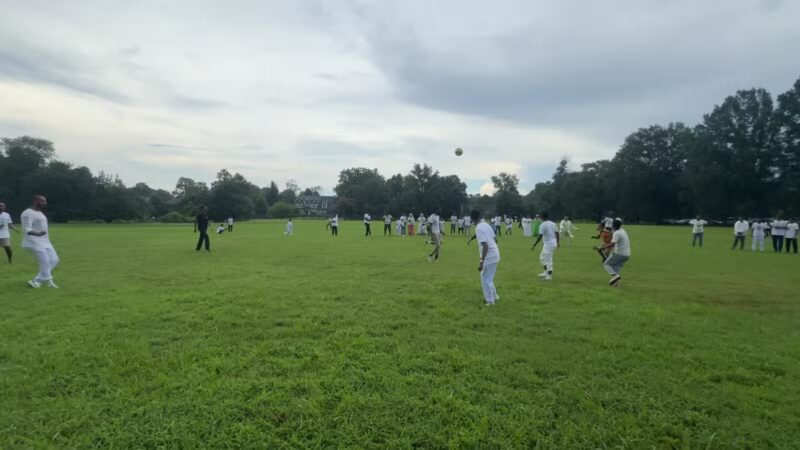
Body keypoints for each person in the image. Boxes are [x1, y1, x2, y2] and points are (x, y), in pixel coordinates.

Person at [20, 195, 59, 288]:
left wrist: (42, 236)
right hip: (33, 241)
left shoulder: (41, 214)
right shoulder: (27, 213)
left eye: (45, 201)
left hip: (45, 241)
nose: (45, 203)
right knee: (44, 260)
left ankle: (37, 280)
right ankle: (50, 282)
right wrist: (37, 234)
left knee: (54, 260)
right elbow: (26, 229)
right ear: (35, 201)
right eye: (43, 201)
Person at [473, 210, 500, 306]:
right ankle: (494, 296)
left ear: (472, 219)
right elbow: (496, 239)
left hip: (489, 256)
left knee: (485, 279)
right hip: (495, 253)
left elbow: (485, 246)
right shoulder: (486, 225)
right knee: (489, 278)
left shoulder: (478, 229)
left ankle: (490, 301)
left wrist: (481, 262)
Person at [596, 218, 631, 286]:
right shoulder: (622, 230)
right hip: (627, 255)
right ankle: (617, 284)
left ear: (613, 225)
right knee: (616, 268)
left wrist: (601, 248)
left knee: (606, 264)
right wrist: (602, 230)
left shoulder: (617, 234)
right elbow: (610, 232)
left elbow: (612, 244)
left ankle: (615, 276)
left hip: (619, 254)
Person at [531, 212, 559, 281]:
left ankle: (549, 276)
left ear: (541, 217)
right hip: (551, 243)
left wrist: (534, 244)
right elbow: (557, 233)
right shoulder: (553, 223)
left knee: (548, 259)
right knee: (542, 257)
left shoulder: (542, 225)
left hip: (549, 244)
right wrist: (558, 242)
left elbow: (540, 236)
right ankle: (546, 272)